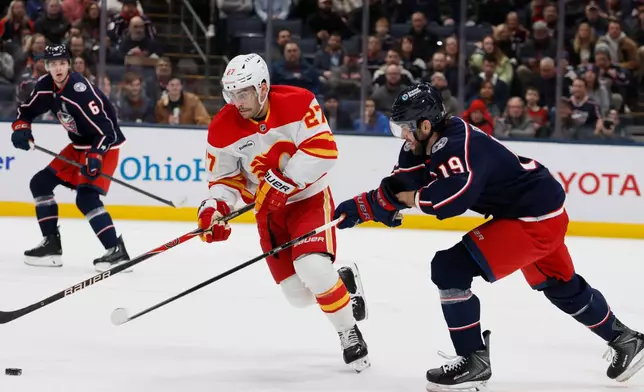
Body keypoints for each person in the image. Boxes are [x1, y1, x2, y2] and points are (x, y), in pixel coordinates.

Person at [333, 82, 644, 390]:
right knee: (560, 285)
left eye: (404, 128)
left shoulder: (457, 146)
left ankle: (473, 360)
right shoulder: (425, 141)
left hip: (533, 220)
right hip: (538, 210)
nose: (401, 135)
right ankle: (625, 339)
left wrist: (408, 200)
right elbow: (400, 183)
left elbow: (452, 200)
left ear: (425, 124)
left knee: (449, 268)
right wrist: (363, 206)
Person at [198, 53, 370, 371]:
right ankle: (343, 282)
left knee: (314, 269)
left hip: (308, 200)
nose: (237, 101)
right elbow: (224, 180)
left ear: (262, 88)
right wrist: (215, 208)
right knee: (298, 296)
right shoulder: (221, 128)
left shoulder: (299, 102)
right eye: (232, 93)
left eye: (244, 92)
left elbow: (324, 149)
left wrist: (281, 183)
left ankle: (348, 331)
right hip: (268, 214)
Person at [10, 44, 129, 273]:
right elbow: (25, 111)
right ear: (46, 66)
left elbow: (108, 131)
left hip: (104, 146)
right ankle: (51, 245)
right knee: (40, 183)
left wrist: (95, 155)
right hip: (78, 145)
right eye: (53, 64)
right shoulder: (45, 86)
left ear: (69, 64)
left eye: (62, 63)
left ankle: (116, 250)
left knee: (86, 198)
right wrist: (21, 129)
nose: (58, 68)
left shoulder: (80, 91)